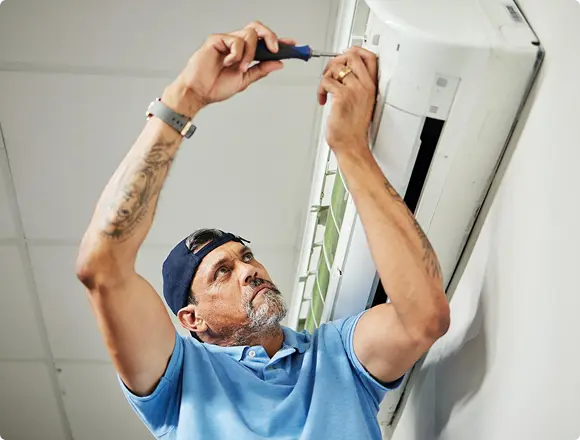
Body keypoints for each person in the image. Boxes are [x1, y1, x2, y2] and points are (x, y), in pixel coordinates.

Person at [76, 21, 450, 440]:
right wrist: (188, 95)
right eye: (222, 271)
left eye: (247, 256)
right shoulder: (181, 385)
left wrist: (350, 147)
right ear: (191, 319)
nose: (248, 270)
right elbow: (101, 267)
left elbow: (423, 318)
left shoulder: (337, 355)